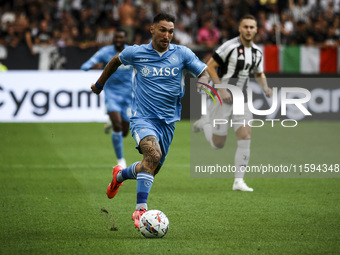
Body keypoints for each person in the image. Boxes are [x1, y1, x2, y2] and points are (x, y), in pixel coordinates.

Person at [91, 13, 208, 229]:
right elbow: (115, 61)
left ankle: (120, 175)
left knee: (151, 167)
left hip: (168, 122)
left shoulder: (182, 53)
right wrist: (99, 85)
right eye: (162, 30)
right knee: (153, 154)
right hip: (142, 118)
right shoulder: (136, 52)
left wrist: (203, 85)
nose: (167, 35)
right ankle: (140, 210)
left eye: (171, 31)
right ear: (151, 29)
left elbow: (203, 71)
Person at [193, 14, 272, 192]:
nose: (249, 30)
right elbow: (210, 66)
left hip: (241, 99)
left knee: (245, 136)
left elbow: (259, 73)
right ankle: (205, 123)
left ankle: (238, 181)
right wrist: (220, 89)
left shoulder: (257, 52)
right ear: (240, 29)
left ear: (256, 30)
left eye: (252, 27)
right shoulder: (229, 46)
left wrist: (266, 88)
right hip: (222, 97)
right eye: (246, 27)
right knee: (218, 144)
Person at [82, 28, 133, 169]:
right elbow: (90, 61)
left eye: (121, 37)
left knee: (124, 132)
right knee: (117, 126)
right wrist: (88, 66)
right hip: (112, 94)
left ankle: (110, 122)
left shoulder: (131, 52)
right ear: (113, 39)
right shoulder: (106, 52)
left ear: (124, 39)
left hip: (128, 96)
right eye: (116, 37)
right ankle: (120, 160)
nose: (118, 40)